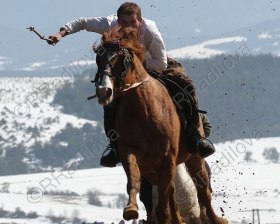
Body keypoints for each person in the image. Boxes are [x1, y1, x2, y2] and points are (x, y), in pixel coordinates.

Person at [48, 2, 215, 168]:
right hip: (124, 73)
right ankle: (114, 146)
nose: (128, 27)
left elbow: (161, 63)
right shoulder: (110, 24)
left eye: (132, 22)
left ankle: (195, 136)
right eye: (124, 22)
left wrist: (135, 66)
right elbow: (83, 22)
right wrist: (61, 33)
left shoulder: (150, 30)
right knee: (110, 99)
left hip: (154, 66)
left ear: (140, 21)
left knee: (187, 85)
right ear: (117, 20)